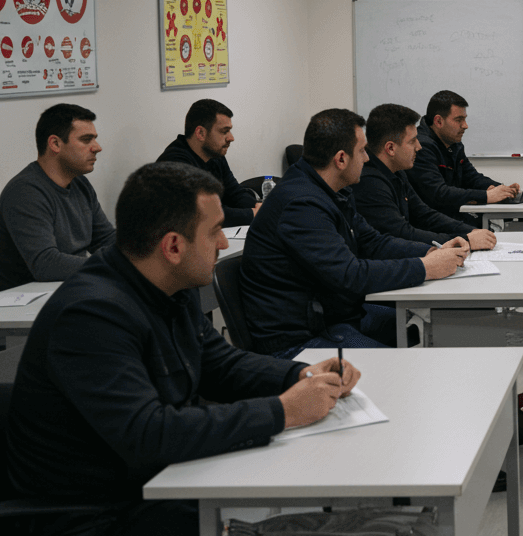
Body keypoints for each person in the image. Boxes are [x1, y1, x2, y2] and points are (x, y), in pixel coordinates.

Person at [5, 162, 359, 536]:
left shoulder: (170, 284)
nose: (224, 244)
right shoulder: (91, 316)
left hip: (159, 487)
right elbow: (149, 434)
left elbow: (219, 364)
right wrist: (283, 411)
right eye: (215, 231)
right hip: (96, 514)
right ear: (173, 246)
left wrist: (299, 375)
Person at [241, 109, 471, 357]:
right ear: (341, 159)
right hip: (300, 340)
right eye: (362, 150)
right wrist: (425, 267)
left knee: (430, 328)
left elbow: (373, 241)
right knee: (404, 365)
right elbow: (351, 275)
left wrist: (430, 251)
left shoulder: (333, 190)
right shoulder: (302, 205)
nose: (368, 158)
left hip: (333, 316)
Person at [351, 103, 499, 249]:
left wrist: (471, 231)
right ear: (390, 148)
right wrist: (464, 239)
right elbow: (401, 233)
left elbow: (424, 214)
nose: (419, 146)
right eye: (412, 141)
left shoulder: (397, 171)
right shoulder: (369, 182)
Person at [0, 103, 115, 289]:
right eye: (87, 140)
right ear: (55, 144)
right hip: (28, 301)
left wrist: (141, 255)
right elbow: (45, 264)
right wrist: (116, 265)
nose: (97, 147)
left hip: (67, 289)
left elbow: (105, 239)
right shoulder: (25, 191)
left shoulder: (80, 183)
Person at [409, 90, 521, 224]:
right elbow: (438, 193)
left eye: (465, 119)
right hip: (431, 220)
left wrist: (502, 189)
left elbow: (471, 177)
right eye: (458, 120)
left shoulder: (453, 143)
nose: (465, 126)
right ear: (438, 121)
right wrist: (486, 196)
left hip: (451, 212)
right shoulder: (421, 147)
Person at [155, 98, 260, 226]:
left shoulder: (214, 154)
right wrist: (252, 214)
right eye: (224, 131)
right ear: (200, 133)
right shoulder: (174, 163)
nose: (231, 138)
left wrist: (261, 208)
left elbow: (234, 193)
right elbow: (202, 214)